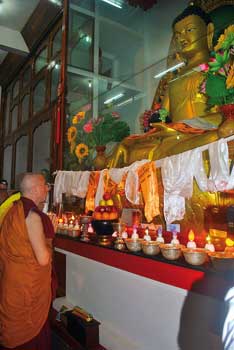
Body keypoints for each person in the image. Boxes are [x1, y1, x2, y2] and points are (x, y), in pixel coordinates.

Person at [108, 4, 234, 168]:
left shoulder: (222, 66)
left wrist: (185, 127)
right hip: (174, 137)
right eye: (177, 35)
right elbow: (163, 116)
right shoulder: (172, 80)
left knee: (214, 140)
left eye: (189, 30)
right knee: (127, 146)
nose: (182, 38)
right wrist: (156, 124)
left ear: (209, 31)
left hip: (204, 134)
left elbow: (227, 114)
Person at [0, 173, 57, 350]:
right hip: (27, 290)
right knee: (28, 332)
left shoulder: (12, 209)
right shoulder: (32, 216)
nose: (47, 189)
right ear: (35, 189)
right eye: (44, 185)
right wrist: (50, 237)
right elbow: (43, 259)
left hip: (11, 283)